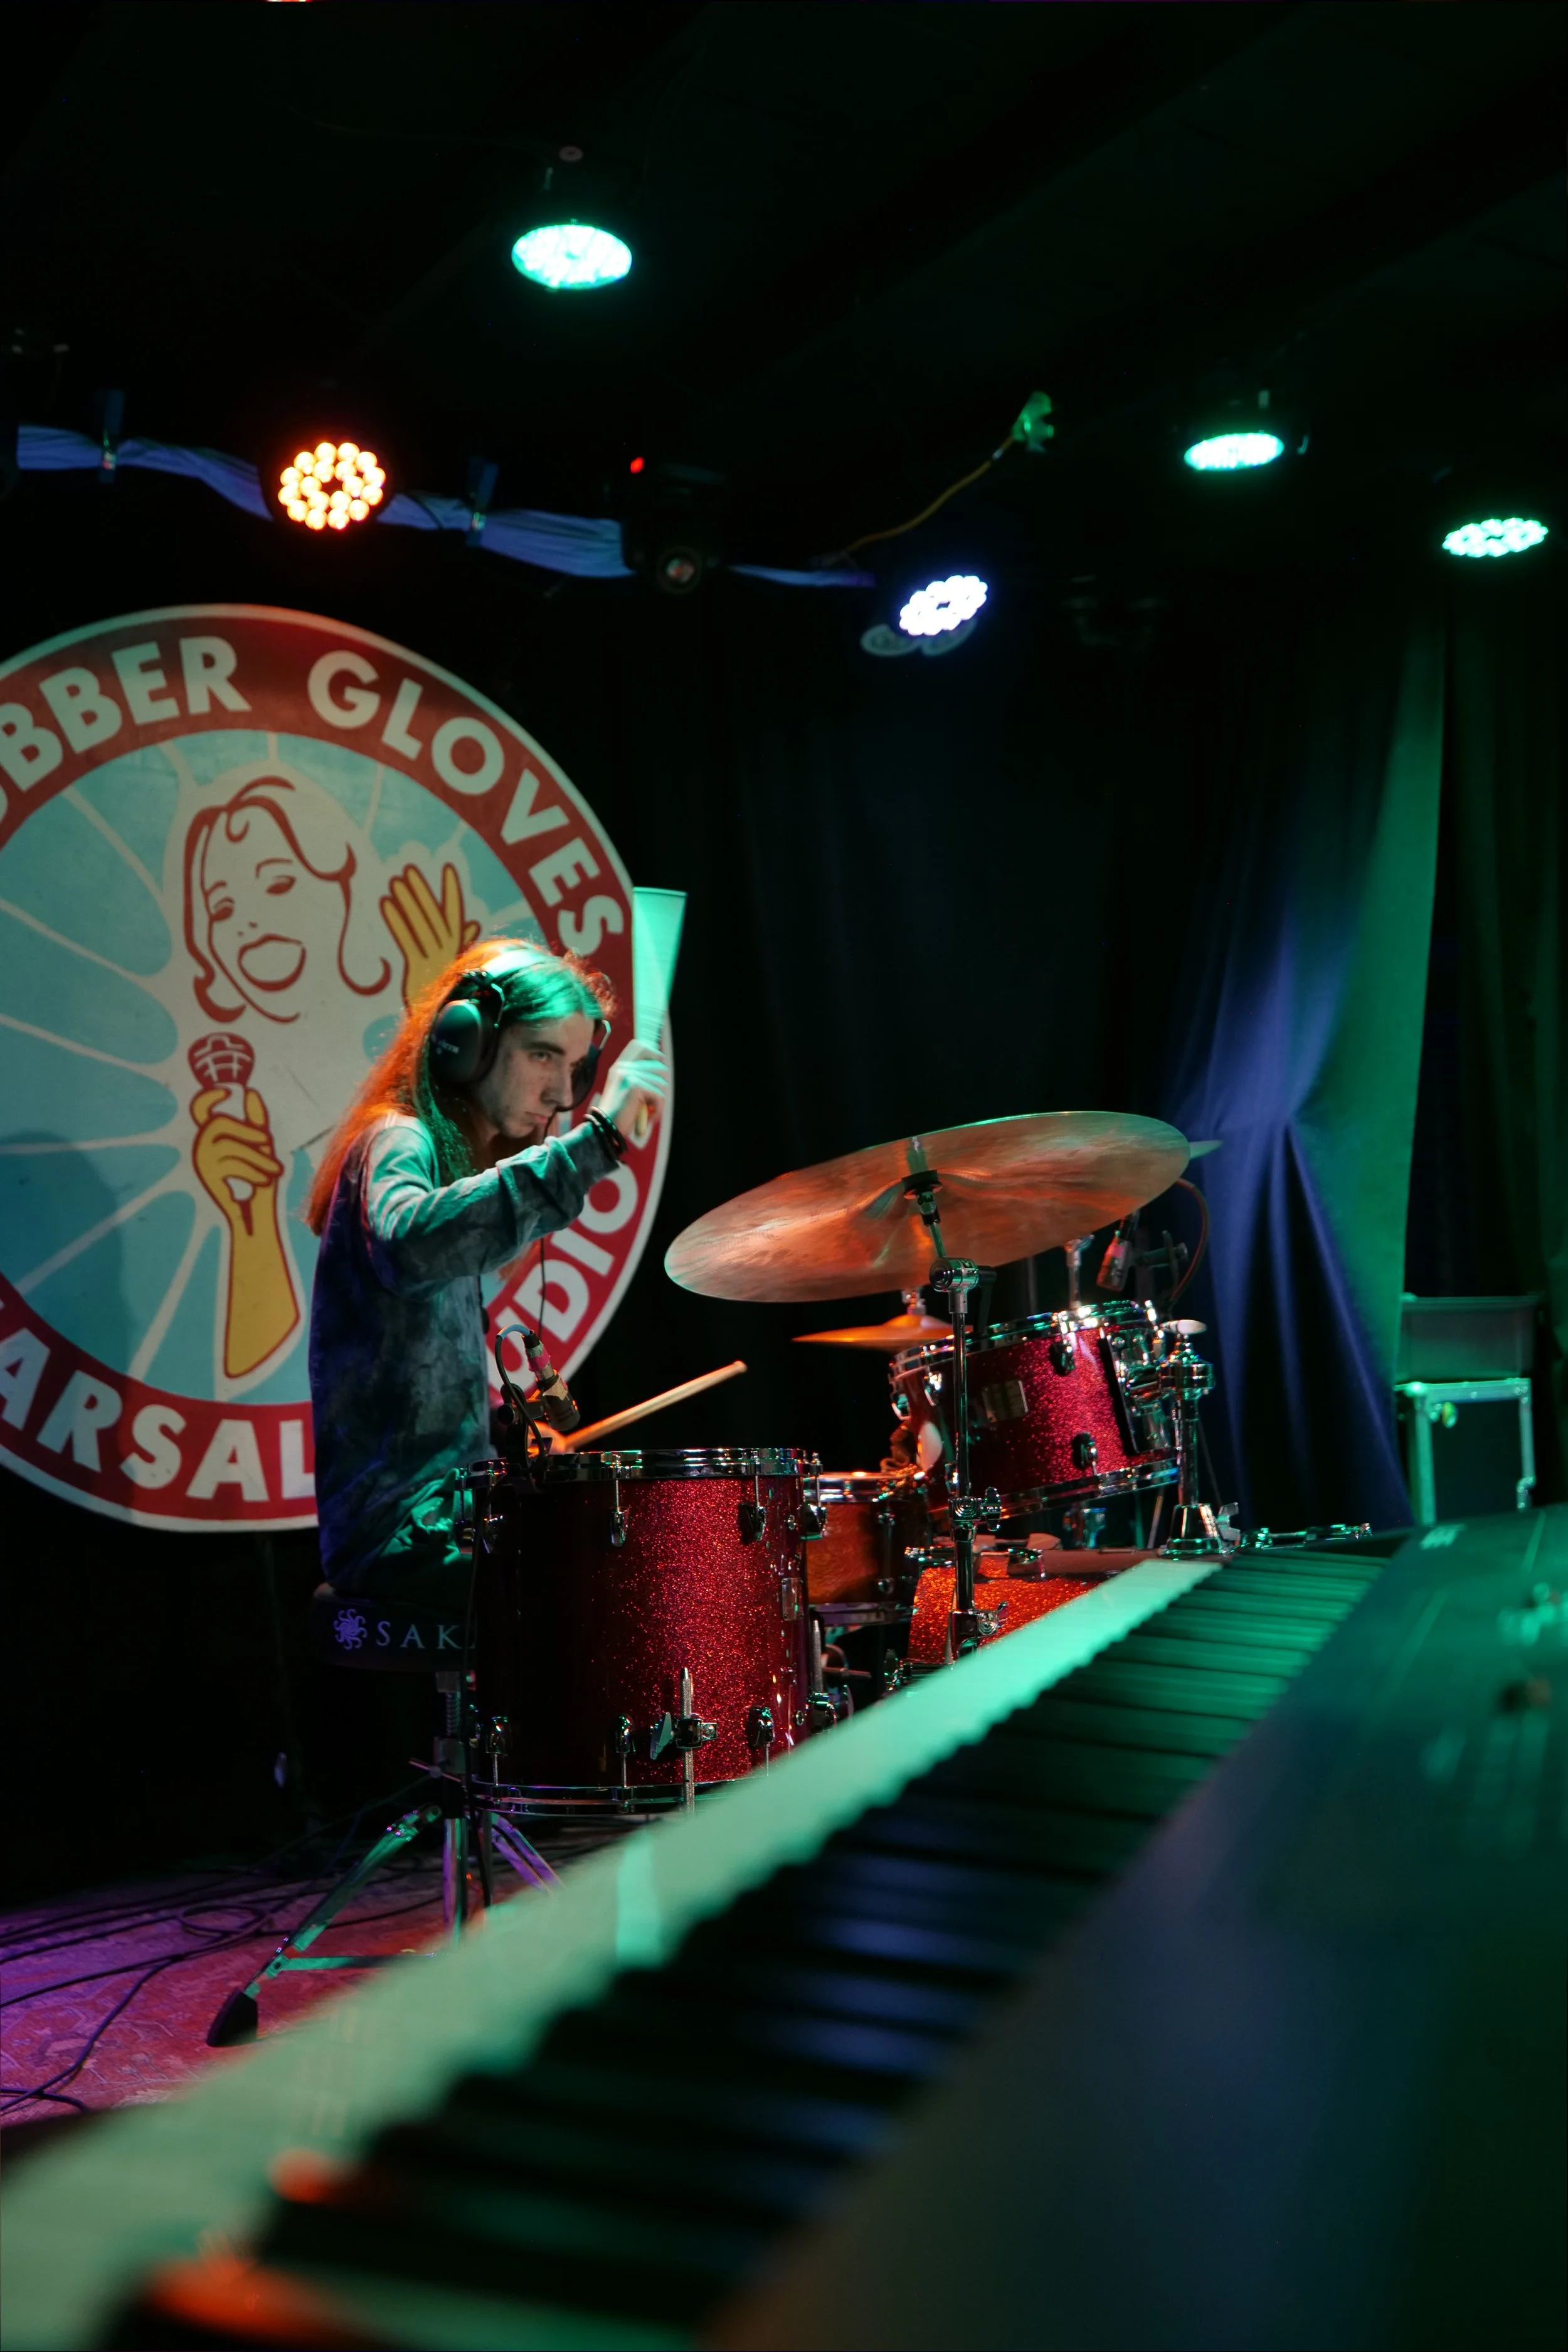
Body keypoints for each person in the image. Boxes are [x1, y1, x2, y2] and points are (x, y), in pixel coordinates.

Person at [304, 938, 667, 1608]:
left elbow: (423, 1366)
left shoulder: (445, 1160)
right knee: (630, 1583)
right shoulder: (396, 1139)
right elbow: (410, 1246)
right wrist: (595, 1143)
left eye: (576, 1068)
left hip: (445, 1520)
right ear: (463, 1044)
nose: (561, 1094)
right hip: (402, 1538)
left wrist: (509, 1430)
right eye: (541, 1055)